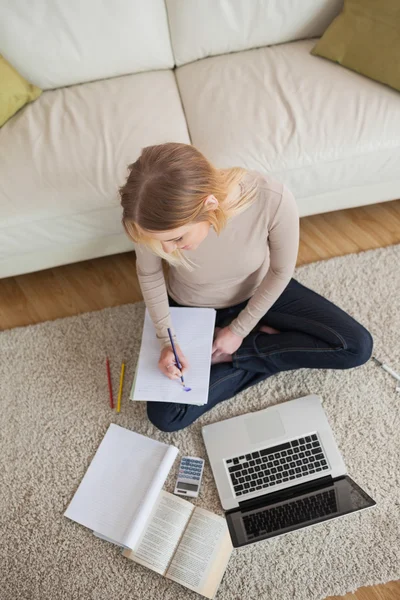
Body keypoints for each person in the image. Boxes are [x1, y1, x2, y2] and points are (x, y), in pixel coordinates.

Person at [120, 143, 373, 432]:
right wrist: (167, 340)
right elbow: (151, 275)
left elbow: (280, 271)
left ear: (210, 206)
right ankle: (274, 349)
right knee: (166, 417)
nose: (165, 250)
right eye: (158, 242)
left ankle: (243, 353)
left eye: (176, 239)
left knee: (356, 347)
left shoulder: (271, 198)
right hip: (194, 304)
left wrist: (238, 333)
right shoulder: (146, 214)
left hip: (262, 290)